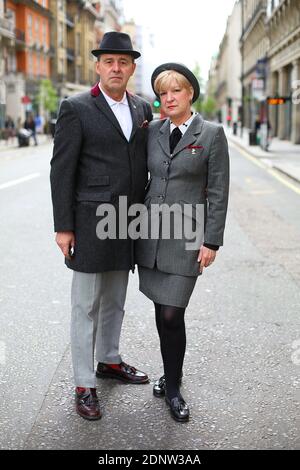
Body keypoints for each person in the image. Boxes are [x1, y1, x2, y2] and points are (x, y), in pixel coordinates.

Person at [50, 32, 153, 421]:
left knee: (115, 299)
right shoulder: (76, 107)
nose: (116, 68)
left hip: (127, 221)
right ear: (98, 66)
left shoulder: (143, 108)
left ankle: (108, 360)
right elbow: (61, 170)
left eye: (123, 62)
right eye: (109, 61)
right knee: (85, 305)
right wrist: (64, 227)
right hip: (90, 223)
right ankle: (83, 383)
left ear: (131, 69)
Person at [136, 63, 230, 422]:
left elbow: (218, 190)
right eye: (162, 93)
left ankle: (173, 388)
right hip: (150, 236)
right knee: (162, 311)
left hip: (187, 238)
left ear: (190, 93)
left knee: (173, 312)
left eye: (176, 91)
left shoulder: (211, 134)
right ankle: (169, 372)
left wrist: (212, 241)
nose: (168, 98)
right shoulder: (153, 131)